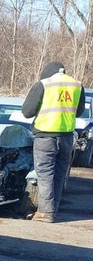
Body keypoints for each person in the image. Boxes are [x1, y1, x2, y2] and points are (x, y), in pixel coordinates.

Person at [21, 61, 85, 222]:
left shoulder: (43, 84)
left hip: (45, 136)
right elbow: (79, 111)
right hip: (67, 137)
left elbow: (27, 112)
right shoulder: (77, 85)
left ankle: (45, 213)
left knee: (45, 175)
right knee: (59, 175)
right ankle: (52, 210)